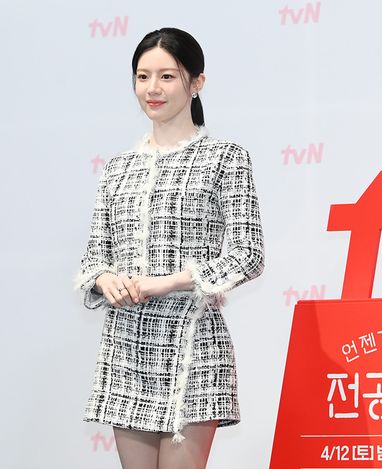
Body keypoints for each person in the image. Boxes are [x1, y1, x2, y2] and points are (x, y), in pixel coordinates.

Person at [73, 27, 264, 469]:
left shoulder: (225, 157)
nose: (152, 89)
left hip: (193, 344)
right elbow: (94, 257)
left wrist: (171, 282)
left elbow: (249, 254)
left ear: (196, 82)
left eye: (167, 76)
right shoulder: (117, 168)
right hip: (126, 347)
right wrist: (104, 278)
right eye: (143, 77)